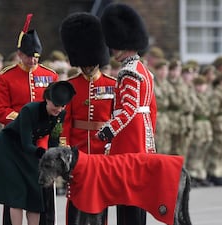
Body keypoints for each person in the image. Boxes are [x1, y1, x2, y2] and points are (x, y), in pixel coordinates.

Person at [0, 13, 59, 225]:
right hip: (16, 142)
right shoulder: (7, 76)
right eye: (29, 56)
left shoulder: (50, 76)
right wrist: (24, 121)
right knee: (15, 193)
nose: (33, 60)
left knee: (43, 191)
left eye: (37, 56)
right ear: (20, 54)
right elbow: (0, 110)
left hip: (42, 142)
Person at [0, 81, 76, 225]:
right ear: (47, 100)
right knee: (17, 193)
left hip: (30, 149)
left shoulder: (60, 114)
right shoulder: (30, 110)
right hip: (8, 148)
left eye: (63, 106)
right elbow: (26, 144)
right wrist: (45, 155)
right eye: (56, 105)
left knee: (35, 192)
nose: (59, 109)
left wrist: (56, 156)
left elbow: (54, 140)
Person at [99, 3, 157, 225]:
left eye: (115, 46)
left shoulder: (128, 72)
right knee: (136, 194)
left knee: (127, 194)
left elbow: (129, 108)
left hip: (129, 138)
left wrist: (109, 130)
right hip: (142, 135)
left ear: (124, 44)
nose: (112, 50)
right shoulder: (144, 70)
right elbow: (151, 109)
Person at [59, 12, 115, 225]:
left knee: (101, 195)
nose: (87, 68)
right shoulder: (72, 86)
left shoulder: (112, 84)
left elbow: (115, 118)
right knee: (76, 193)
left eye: (90, 64)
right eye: (84, 64)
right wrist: (65, 147)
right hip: (79, 148)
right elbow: (65, 120)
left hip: (103, 148)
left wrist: (112, 145)